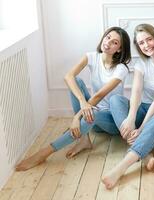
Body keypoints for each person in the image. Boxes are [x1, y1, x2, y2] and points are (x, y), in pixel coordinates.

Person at [15, 27, 131, 171]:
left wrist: (76, 117)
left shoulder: (121, 69)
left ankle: (45, 152)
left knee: (91, 114)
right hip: (91, 112)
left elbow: (99, 95)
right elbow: (68, 76)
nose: (108, 42)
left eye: (114, 42)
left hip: (110, 121)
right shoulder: (92, 56)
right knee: (76, 81)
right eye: (108, 37)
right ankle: (84, 139)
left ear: (119, 49)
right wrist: (83, 102)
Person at [101, 24, 154, 189]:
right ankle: (144, 154)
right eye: (141, 43)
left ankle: (122, 167)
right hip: (144, 108)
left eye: (149, 39)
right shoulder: (140, 64)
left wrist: (142, 127)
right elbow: (136, 92)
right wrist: (131, 118)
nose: (146, 45)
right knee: (116, 100)